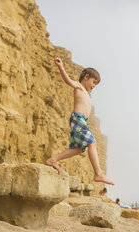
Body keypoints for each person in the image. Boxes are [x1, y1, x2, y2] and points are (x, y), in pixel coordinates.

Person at [46, 56, 114, 186]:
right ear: (86, 77)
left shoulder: (87, 93)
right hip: (77, 119)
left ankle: (53, 160)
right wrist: (60, 67)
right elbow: (68, 80)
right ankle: (98, 173)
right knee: (92, 142)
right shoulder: (78, 86)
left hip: (81, 121)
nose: (94, 86)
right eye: (94, 82)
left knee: (77, 149)